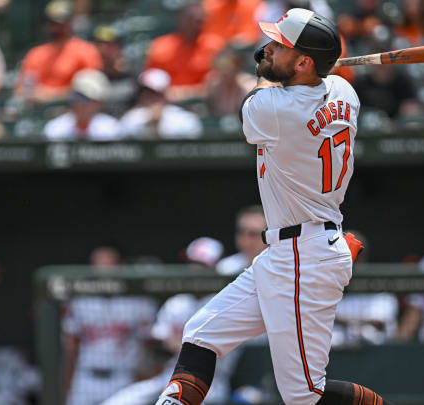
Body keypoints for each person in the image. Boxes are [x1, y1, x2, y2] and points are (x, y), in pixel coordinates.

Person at [152, 9, 394, 405]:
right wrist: (293, 67)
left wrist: (275, 70)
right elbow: (310, 80)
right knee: (200, 333)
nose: (266, 49)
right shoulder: (345, 93)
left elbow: (258, 93)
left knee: (305, 396)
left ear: (303, 62)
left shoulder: (274, 109)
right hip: (292, 250)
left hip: (304, 256)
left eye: (279, 46)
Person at [99, 294, 238, 405]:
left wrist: (182, 345)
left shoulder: (223, 303)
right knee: (121, 400)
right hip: (171, 376)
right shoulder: (178, 303)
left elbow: (212, 348)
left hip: (213, 381)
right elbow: (160, 339)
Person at [62, 246, 158, 405]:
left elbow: (148, 346)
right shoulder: (80, 300)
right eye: (99, 265)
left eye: (109, 264)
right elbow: (71, 348)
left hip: (123, 377)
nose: (104, 270)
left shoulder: (138, 301)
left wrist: (142, 380)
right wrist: (68, 385)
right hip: (86, 377)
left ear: (120, 266)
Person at [15, 0, 102, 102]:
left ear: (71, 23)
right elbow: (21, 88)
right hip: (36, 109)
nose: (56, 28)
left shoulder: (87, 51)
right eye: (53, 23)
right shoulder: (36, 53)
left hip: (72, 109)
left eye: (61, 24)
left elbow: (92, 88)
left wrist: (52, 95)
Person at [144, 4, 225, 100]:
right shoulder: (160, 47)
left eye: (200, 21)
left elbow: (221, 79)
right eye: (191, 20)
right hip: (167, 102)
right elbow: (150, 81)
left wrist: (191, 92)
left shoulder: (215, 46)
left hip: (204, 101)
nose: (196, 25)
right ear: (181, 20)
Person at [119, 69, 203, 139]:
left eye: (154, 93)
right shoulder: (131, 118)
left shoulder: (184, 119)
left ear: (164, 94)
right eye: (143, 92)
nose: (147, 96)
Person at [44, 69, 122, 141]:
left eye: (86, 100)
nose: (80, 105)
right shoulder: (55, 128)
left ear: (98, 104)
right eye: (77, 99)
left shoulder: (111, 128)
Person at [216, 205, 267, 276]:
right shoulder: (226, 268)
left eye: (253, 234)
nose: (246, 240)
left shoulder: (282, 269)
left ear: (269, 236)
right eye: (241, 232)